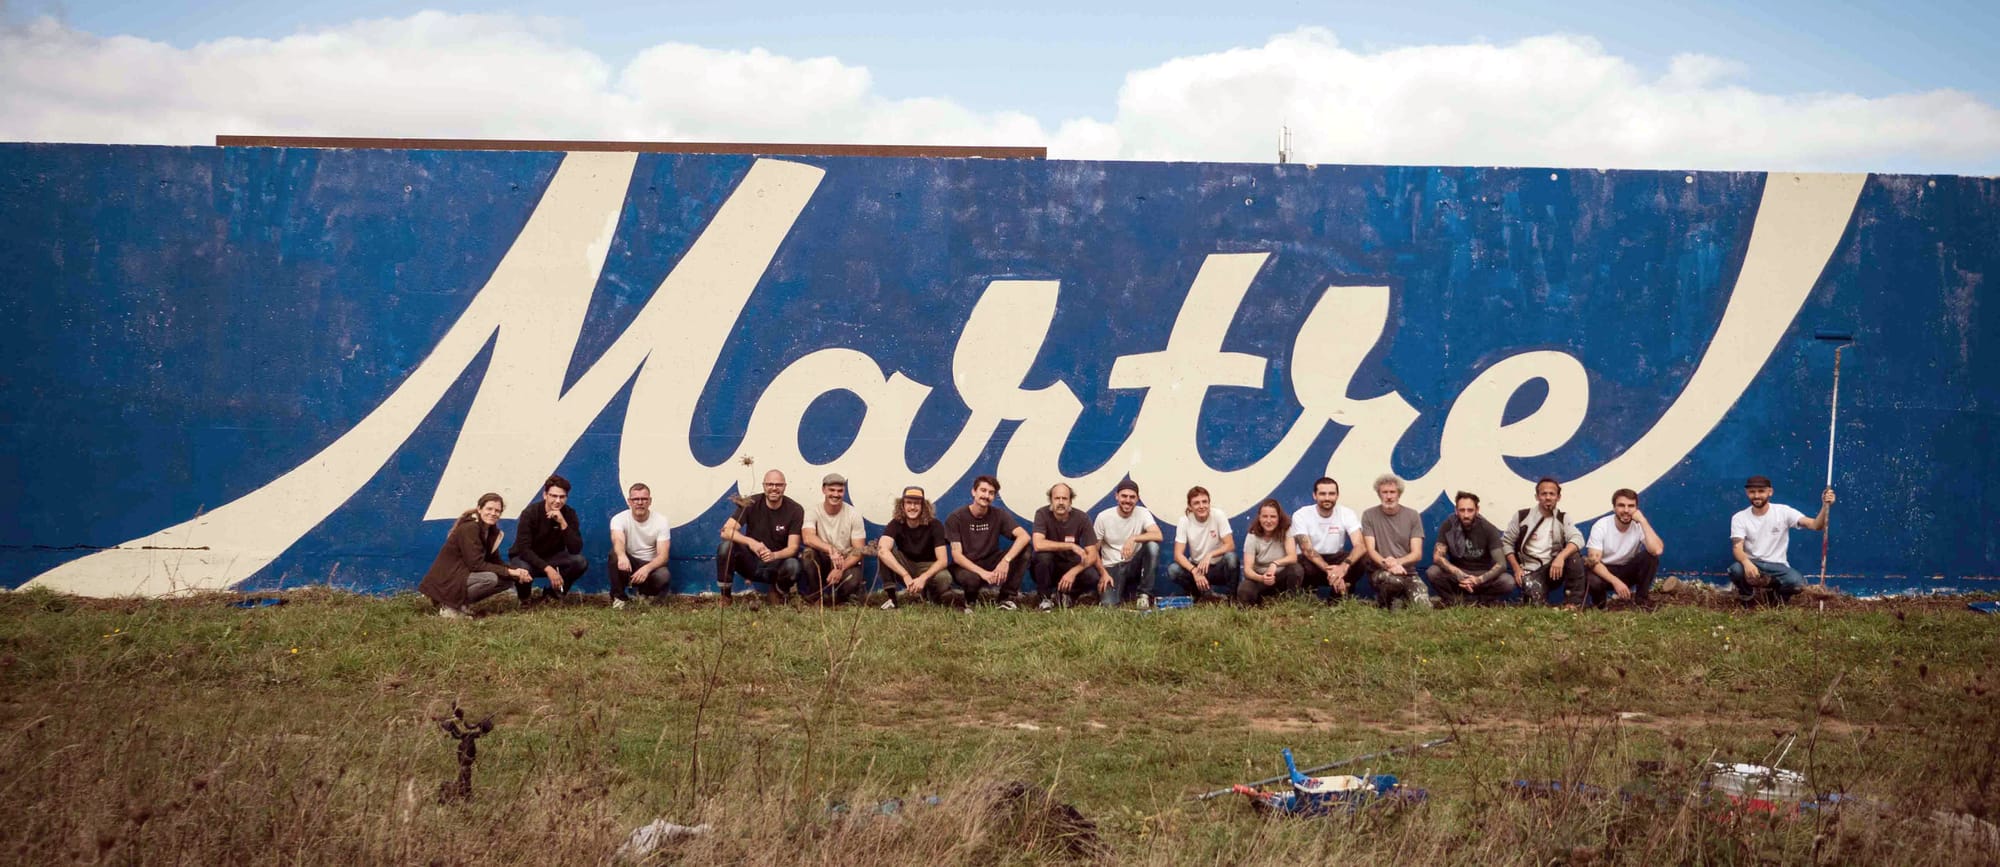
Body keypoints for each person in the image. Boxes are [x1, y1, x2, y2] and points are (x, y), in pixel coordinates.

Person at [420, 492, 532, 618]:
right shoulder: (470, 528)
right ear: (479, 509)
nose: (493, 513)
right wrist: (511, 572)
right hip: (449, 578)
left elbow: (496, 562)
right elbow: (476, 564)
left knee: (506, 580)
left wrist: (517, 571)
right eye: (489, 509)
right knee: (490, 579)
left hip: (463, 575)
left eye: (497, 511)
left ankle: (460, 605)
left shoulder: (491, 532)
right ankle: (449, 606)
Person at [1728, 475, 1834, 606]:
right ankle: (1747, 597)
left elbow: (1816, 525)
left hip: (1778, 566)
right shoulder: (1740, 517)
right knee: (1736, 570)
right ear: (1747, 493)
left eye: (1761, 491)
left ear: (1770, 492)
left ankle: (1774, 598)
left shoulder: (1783, 512)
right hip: (1753, 564)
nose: (1756, 496)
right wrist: (1746, 562)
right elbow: (1737, 548)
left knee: (1797, 583)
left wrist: (1825, 506)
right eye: (1752, 492)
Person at [715, 469, 804, 605]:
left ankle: (777, 592)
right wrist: (751, 542)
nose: (774, 488)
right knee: (725, 547)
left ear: (785, 487)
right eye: (770, 484)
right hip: (750, 562)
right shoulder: (751, 503)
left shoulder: (795, 510)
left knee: (793, 565)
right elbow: (725, 531)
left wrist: (774, 555)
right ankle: (725, 596)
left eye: (778, 485)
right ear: (764, 486)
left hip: (776, 564)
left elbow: (793, 548)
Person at [944, 475, 1032, 609]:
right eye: (983, 490)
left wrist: (1005, 561)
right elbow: (957, 556)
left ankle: (1006, 598)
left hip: (991, 560)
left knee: (1025, 550)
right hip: (965, 565)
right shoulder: (956, 517)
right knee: (972, 579)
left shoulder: (999, 514)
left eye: (991, 493)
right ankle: (971, 602)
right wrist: (982, 573)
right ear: (974, 492)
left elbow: (1024, 536)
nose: (986, 495)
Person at [1502, 477, 1587, 606]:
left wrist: (1560, 557)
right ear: (1537, 497)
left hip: (1554, 570)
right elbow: (1506, 542)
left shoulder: (1562, 518)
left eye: (1552, 494)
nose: (1548, 497)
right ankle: (1537, 601)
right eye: (1544, 494)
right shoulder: (1522, 516)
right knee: (1537, 607)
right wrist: (1516, 568)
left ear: (1558, 497)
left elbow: (1578, 539)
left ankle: (1572, 604)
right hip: (1530, 572)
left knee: (1574, 556)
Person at [508, 474, 587, 603]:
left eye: (562, 497)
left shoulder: (569, 514)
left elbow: (575, 549)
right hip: (525, 559)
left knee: (580, 562)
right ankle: (524, 598)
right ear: (545, 495)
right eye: (553, 496)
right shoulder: (530, 513)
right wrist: (548, 569)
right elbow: (524, 550)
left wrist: (563, 523)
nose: (557, 501)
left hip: (552, 558)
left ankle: (553, 595)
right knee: (522, 568)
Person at [1425, 491, 1512, 606]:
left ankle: (1481, 601)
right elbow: (1437, 557)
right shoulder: (1449, 525)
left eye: (1470, 510)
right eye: (1462, 510)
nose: (1466, 515)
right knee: (1432, 572)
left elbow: (1501, 564)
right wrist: (1458, 574)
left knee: (1508, 581)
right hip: (1458, 574)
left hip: (1482, 575)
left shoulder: (1488, 529)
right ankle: (1455, 601)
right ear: (1456, 510)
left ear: (1477, 510)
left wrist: (1478, 580)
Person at [1585, 488, 1666, 607]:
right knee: (1591, 575)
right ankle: (1600, 607)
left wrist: (1643, 521)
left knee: (1650, 557)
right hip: (1605, 572)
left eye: (1631, 506)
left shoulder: (1638, 525)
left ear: (1636, 509)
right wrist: (1615, 581)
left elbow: (1657, 550)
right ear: (1614, 508)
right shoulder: (1601, 526)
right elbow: (1593, 562)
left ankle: (1641, 602)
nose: (1626, 510)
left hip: (1627, 570)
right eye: (1621, 505)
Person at [1291, 476, 1366, 604]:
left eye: (1331, 494)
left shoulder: (1346, 513)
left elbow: (1360, 545)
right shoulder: (1301, 514)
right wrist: (1331, 571)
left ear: (1337, 495)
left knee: (1363, 559)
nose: (1327, 498)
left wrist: (1343, 567)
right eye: (1322, 494)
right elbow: (1307, 549)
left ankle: (1338, 596)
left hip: (1336, 559)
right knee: (1298, 565)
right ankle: (1307, 595)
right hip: (1312, 562)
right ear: (1314, 495)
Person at [1361, 473, 1429, 609]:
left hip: (1407, 572)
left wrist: (1397, 562)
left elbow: (1417, 554)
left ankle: (1401, 599)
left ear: (1399, 494)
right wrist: (1389, 565)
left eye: (1392, 492)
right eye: (1384, 492)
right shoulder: (1369, 515)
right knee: (1394, 582)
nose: (1389, 496)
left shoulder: (1412, 515)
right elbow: (1370, 550)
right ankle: (1385, 602)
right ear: (1379, 494)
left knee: (1423, 607)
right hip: (1381, 572)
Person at [877, 486, 952, 609]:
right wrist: (905, 575)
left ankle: (929, 595)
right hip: (906, 564)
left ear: (923, 506)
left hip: (927, 566)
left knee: (944, 578)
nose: (912, 507)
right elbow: (882, 549)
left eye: (917, 503)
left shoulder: (935, 525)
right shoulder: (896, 523)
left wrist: (923, 578)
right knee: (884, 553)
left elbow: (943, 560)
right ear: (902, 505)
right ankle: (892, 600)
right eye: (909, 503)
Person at [801, 473, 868, 606]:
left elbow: (859, 551)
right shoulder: (813, 511)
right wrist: (831, 550)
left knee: (852, 580)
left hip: (845, 559)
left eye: (840, 491)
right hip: (823, 558)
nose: (836, 494)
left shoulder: (853, 514)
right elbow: (807, 537)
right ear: (824, 490)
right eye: (832, 490)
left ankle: (840, 600)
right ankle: (816, 598)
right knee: (808, 556)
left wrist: (840, 568)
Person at [1093, 480, 1162, 607]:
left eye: (1132, 497)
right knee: (1109, 605)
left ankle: (1144, 595)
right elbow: (1093, 551)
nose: (1128, 500)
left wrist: (1133, 538)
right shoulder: (1103, 517)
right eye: (1124, 496)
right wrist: (1103, 573)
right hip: (1111, 568)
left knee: (1153, 546)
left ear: (1137, 499)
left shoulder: (1143, 512)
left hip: (1133, 565)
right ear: (1116, 496)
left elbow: (1158, 535)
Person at [1032, 482, 1100, 610]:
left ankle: (1066, 595)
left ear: (1070, 501)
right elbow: (1038, 544)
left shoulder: (1082, 518)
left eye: (1065, 498)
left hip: (1070, 564)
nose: (1061, 502)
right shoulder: (1042, 514)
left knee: (1092, 576)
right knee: (1043, 557)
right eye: (1057, 498)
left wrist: (1073, 572)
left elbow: (1092, 554)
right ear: (1051, 500)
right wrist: (1071, 546)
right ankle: (1044, 599)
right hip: (1048, 567)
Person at [1169, 486, 1238, 603]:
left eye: (1204, 502)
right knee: (1173, 570)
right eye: (1196, 503)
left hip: (1218, 567)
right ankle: (1202, 596)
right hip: (1197, 567)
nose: (1201, 506)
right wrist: (1194, 571)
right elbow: (1178, 555)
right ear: (1190, 507)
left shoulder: (1218, 515)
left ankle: (1233, 599)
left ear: (1209, 503)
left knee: (1231, 558)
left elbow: (1230, 545)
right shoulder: (1184, 521)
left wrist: (1210, 555)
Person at [608, 482, 671, 610]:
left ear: (650, 501)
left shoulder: (661, 521)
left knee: (663, 575)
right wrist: (621, 555)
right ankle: (619, 598)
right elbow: (618, 540)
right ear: (629, 501)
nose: (640, 502)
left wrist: (647, 568)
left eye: (644, 499)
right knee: (614, 554)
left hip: (650, 565)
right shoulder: (619, 519)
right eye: (636, 499)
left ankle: (645, 595)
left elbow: (663, 556)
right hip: (629, 563)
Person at [1238, 498, 1302, 606]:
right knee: (1244, 591)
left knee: (1296, 569)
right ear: (1259, 517)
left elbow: (1292, 557)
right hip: (1260, 578)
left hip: (1280, 577)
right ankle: (1258, 603)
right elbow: (1247, 570)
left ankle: (1290, 602)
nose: (1268, 521)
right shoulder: (1252, 536)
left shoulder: (1286, 530)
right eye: (1265, 516)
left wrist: (1275, 563)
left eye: (1273, 517)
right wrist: (1261, 578)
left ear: (1279, 518)